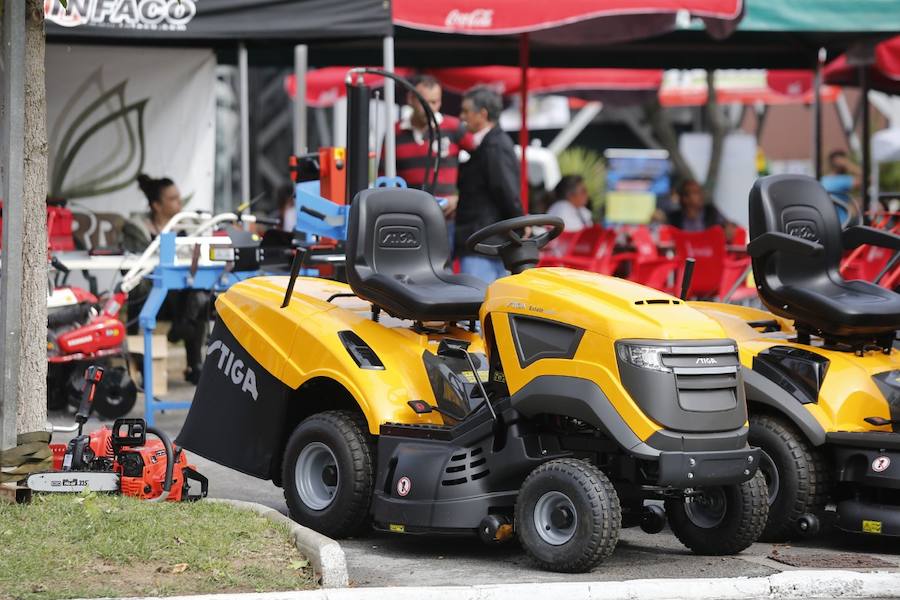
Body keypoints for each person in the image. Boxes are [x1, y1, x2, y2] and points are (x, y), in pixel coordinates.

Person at [122, 173, 209, 385]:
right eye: (172, 198)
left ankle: (194, 363)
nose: (179, 202)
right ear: (156, 205)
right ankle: (179, 336)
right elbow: (136, 268)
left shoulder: (188, 227)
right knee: (175, 288)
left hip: (180, 298)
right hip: (151, 297)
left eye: (178, 197)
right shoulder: (136, 228)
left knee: (200, 293)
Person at [456, 86, 524, 284]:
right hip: (486, 239)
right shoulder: (490, 144)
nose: (462, 116)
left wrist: (519, 223)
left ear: (482, 114)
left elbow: (505, 190)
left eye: (466, 111)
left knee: (477, 305)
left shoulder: (494, 145)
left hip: (485, 241)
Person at [393, 75, 472, 243]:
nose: (430, 108)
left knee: (443, 267)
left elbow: (481, 165)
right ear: (410, 99)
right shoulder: (395, 132)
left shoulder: (454, 128)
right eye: (424, 102)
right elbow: (384, 178)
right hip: (408, 221)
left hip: (445, 220)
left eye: (435, 102)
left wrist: (460, 197)